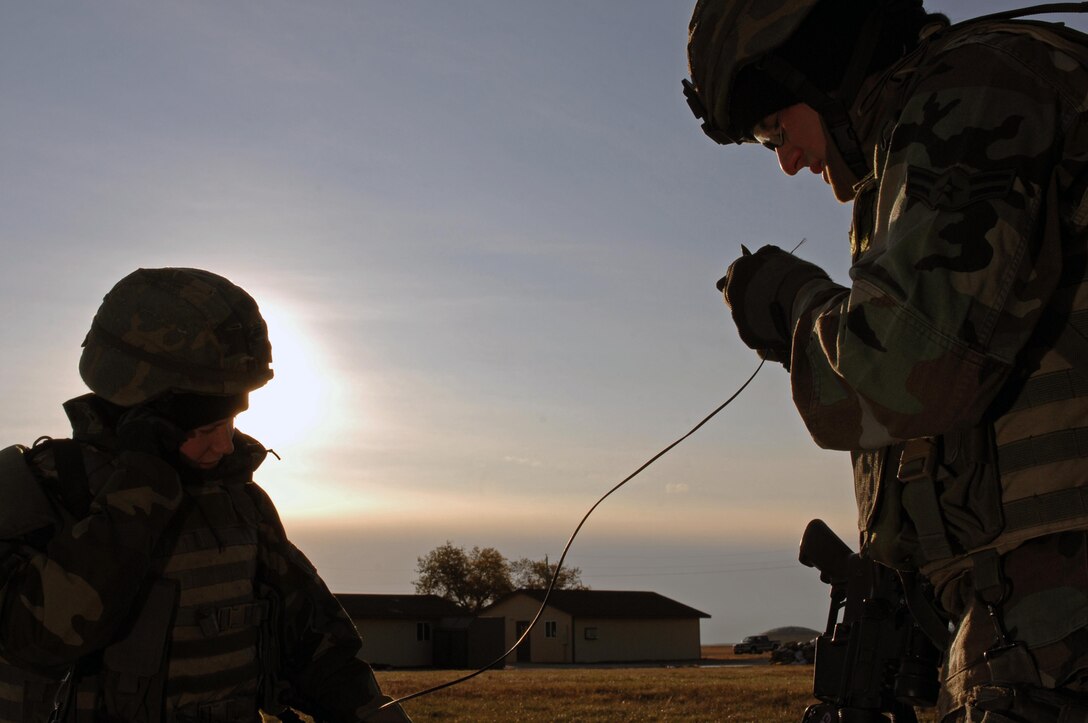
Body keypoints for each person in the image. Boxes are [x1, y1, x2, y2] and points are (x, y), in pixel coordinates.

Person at [684, 1, 1088, 721]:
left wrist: (795, 306)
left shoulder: (980, 87)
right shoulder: (918, 135)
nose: (788, 161)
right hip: (1018, 641)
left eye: (778, 128)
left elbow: (910, 369)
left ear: (820, 64)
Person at [0, 268, 411, 722]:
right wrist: (141, 491)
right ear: (142, 417)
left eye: (229, 423)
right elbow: (37, 640)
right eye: (204, 429)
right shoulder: (32, 495)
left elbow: (316, 647)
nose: (224, 445)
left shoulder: (237, 502)